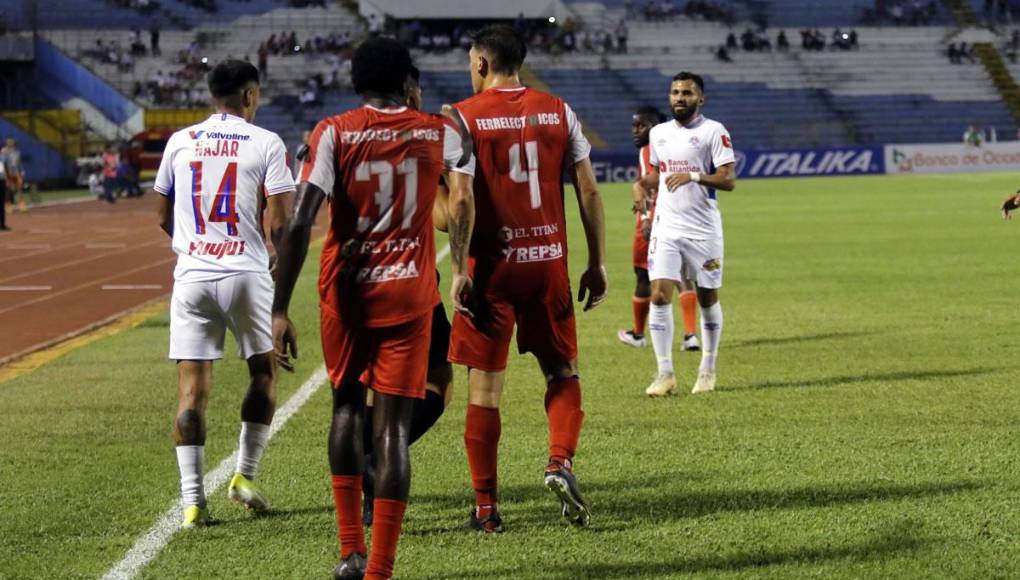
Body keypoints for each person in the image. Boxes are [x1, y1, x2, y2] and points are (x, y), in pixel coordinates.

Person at [270, 38, 475, 580]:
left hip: (346, 293)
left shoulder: (333, 131)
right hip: (409, 294)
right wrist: (461, 267)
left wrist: (278, 309)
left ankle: (349, 551)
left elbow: (299, 222)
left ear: (357, 80)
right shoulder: (441, 131)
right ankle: (381, 569)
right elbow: (461, 199)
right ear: (407, 80)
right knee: (391, 431)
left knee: (343, 409)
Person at [448, 24, 607, 533]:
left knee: (484, 390)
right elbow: (588, 192)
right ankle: (560, 460)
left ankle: (487, 509)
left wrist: (456, 269)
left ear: (480, 64)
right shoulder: (559, 111)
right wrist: (596, 262)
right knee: (562, 370)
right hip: (548, 263)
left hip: (492, 270)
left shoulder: (461, 117)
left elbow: (462, 199)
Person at [153, 60, 296, 529]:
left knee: (191, 392)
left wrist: (196, 243)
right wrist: (274, 261)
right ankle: (244, 477)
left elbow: (162, 213)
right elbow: (281, 221)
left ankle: (193, 501)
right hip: (245, 273)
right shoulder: (266, 142)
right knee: (263, 371)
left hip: (192, 276)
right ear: (250, 96)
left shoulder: (180, 140)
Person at [359, 64, 461, 529]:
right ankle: (379, 457)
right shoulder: (430, 137)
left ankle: (362, 480)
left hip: (358, 285)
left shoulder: (342, 133)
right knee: (438, 378)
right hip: (414, 283)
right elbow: (446, 216)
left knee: (363, 389)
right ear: (408, 90)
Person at [633, 72, 736, 396]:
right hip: (667, 226)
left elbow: (728, 179)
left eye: (687, 93)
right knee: (660, 294)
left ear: (700, 99)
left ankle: (708, 368)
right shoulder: (659, 134)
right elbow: (655, 175)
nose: (680, 98)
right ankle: (665, 373)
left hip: (703, 229)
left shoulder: (713, 131)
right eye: (675, 92)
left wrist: (692, 175)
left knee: (707, 297)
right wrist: (640, 186)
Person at [618, 106, 699, 351]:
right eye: (634, 126)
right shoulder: (673, 145)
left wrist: (644, 219)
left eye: (642, 125)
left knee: (643, 274)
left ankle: (638, 334)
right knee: (682, 274)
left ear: (655, 127)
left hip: (654, 220)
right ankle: (690, 335)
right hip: (681, 216)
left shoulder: (648, 150)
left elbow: (644, 187)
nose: (636, 131)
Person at [2, 138, 26, 212]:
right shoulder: (4, 151)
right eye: (9, 142)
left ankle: (22, 205)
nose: (11, 143)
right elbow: (2, 162)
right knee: (8, 190)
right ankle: (8, 206)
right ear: (6, 143)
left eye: (12, 142)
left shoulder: (17, 152)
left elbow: (19, 162)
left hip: (16, 173)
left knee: (20, 188)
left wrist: (22, 170)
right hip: (8, 173)